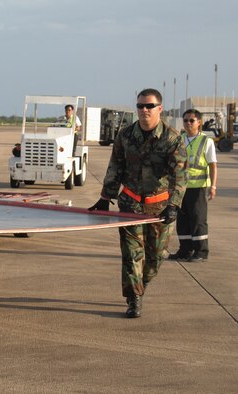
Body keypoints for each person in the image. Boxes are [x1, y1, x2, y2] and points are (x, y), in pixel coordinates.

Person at [89, 88, 187, 318]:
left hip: (160, 207)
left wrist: (174, 204)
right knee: (132, 255)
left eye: (149, 106)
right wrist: (106, 197)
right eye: (140, 106)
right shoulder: (125, 136)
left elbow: (180, 175)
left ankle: (140, 285)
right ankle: (134, 298)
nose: (144, 110)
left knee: (156, 258)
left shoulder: (172, 138)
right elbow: (115, 167)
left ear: (160, 109)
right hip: (131, 204)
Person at [168, 109, 217, 262]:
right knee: (182, 220)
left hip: (198, 187)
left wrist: (213, 186)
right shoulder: (179, 139)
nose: (188, 123)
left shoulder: (206, 141)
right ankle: (185, 250)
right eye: (186, 120)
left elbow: (213, 165)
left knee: (198, 219)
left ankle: (201, 252)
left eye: (192, 120)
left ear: (199, 122)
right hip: (181, 188)